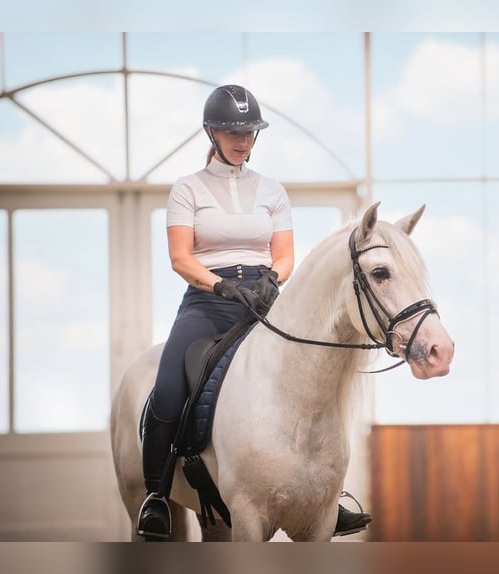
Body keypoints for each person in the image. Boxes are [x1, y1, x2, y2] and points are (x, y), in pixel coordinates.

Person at [137, 84, 372, 540]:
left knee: (312, 375)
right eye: (231, 131)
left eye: (248, 131)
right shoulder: (188, 189)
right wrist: (220, 284)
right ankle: (155, 496)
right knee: (167, 389)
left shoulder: (271, 190)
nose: (242, 139)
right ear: (211, 131)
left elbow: (283, 254)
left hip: (263, 300)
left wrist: (272, 279)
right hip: (207, 302)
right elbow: (180, 258)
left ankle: (325, 493)